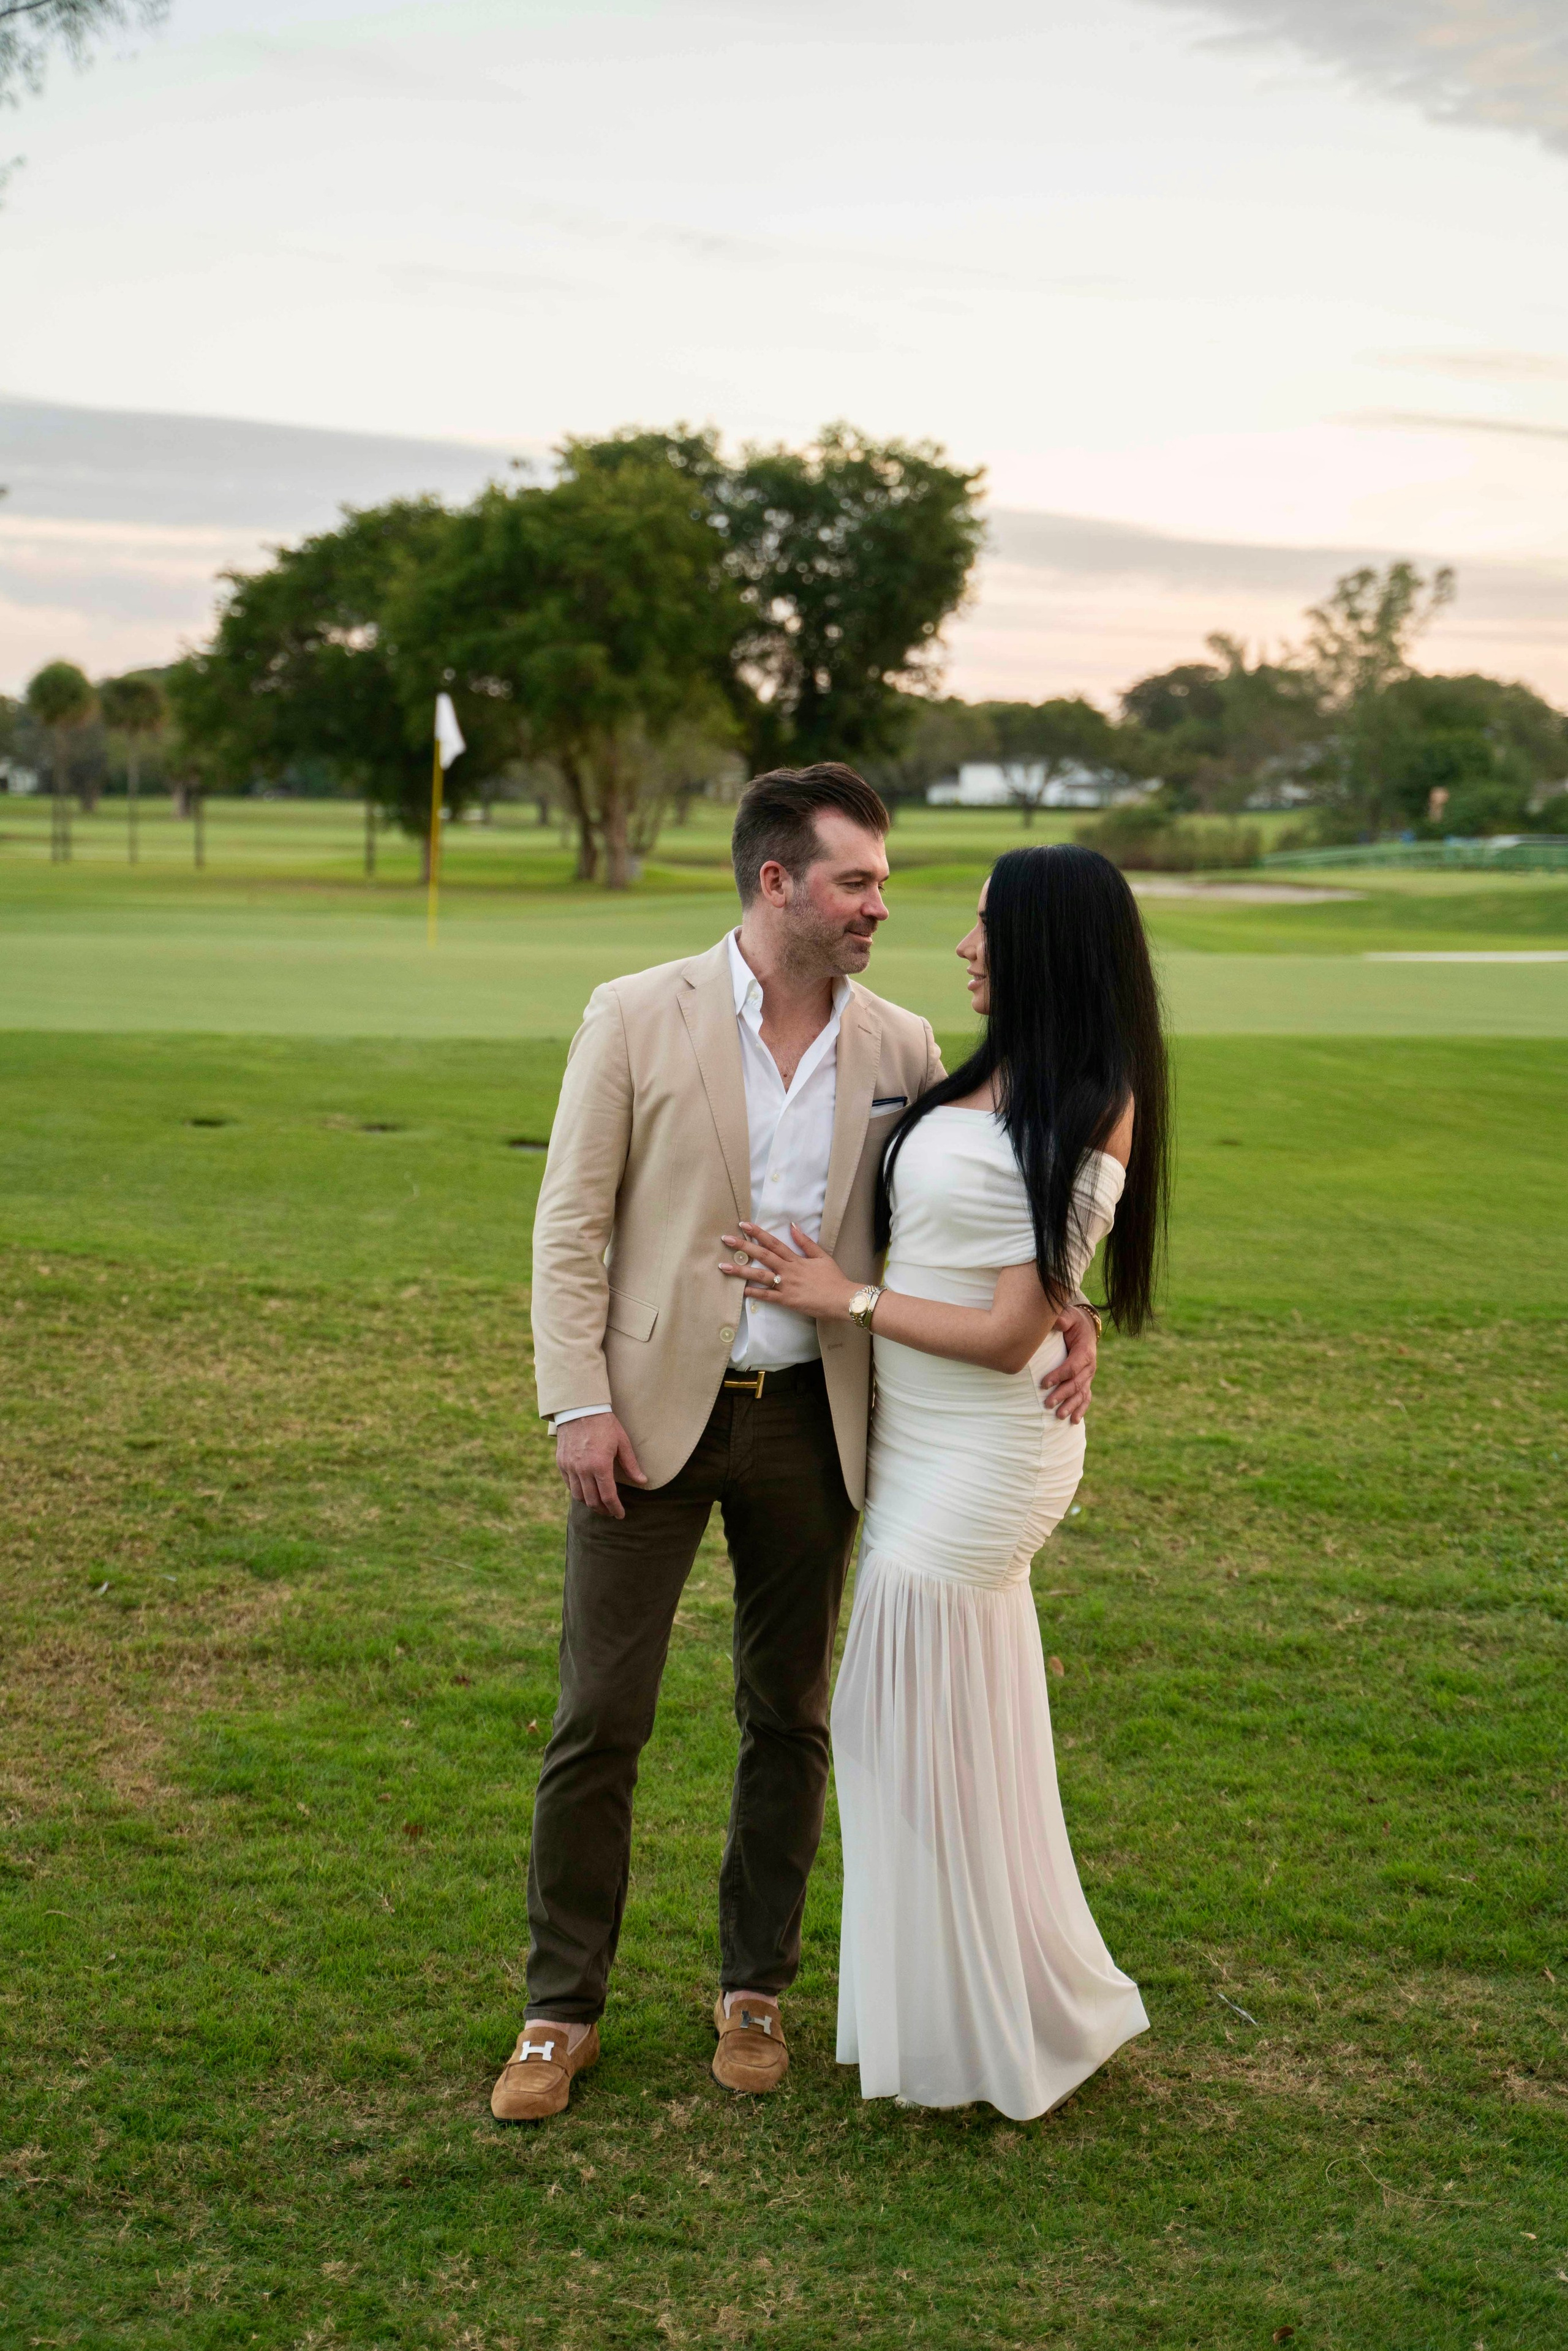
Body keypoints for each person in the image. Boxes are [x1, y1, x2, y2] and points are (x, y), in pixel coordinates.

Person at [490, 771, 1102, 2122]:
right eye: (856, 883)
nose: (882, 905)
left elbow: (963, 1217)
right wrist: (573, 1399)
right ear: (778, 884)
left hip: (817, 1431)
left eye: (881, 883)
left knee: (789, 1716)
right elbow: (567, 1222)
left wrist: (1068, 1308)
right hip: (645, 1422)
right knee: (599, 1715)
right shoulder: (634, 1012)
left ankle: (751, 1986)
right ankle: (558, 2008)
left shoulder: (900, 1041)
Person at [723, 843, 1166, 2119]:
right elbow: (989, 1259)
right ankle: (981, 2001)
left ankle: (986, 2012)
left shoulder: (1093, 1093)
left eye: (984, 928)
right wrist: (1060, 1302)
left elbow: (1000, 1327)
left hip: (986, 1452)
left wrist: (840, 1297)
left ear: (1044, 944)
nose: (963, 946)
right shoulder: (969, 1072)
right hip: (909, 1437)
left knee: (890, 1725)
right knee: (934, 1732)